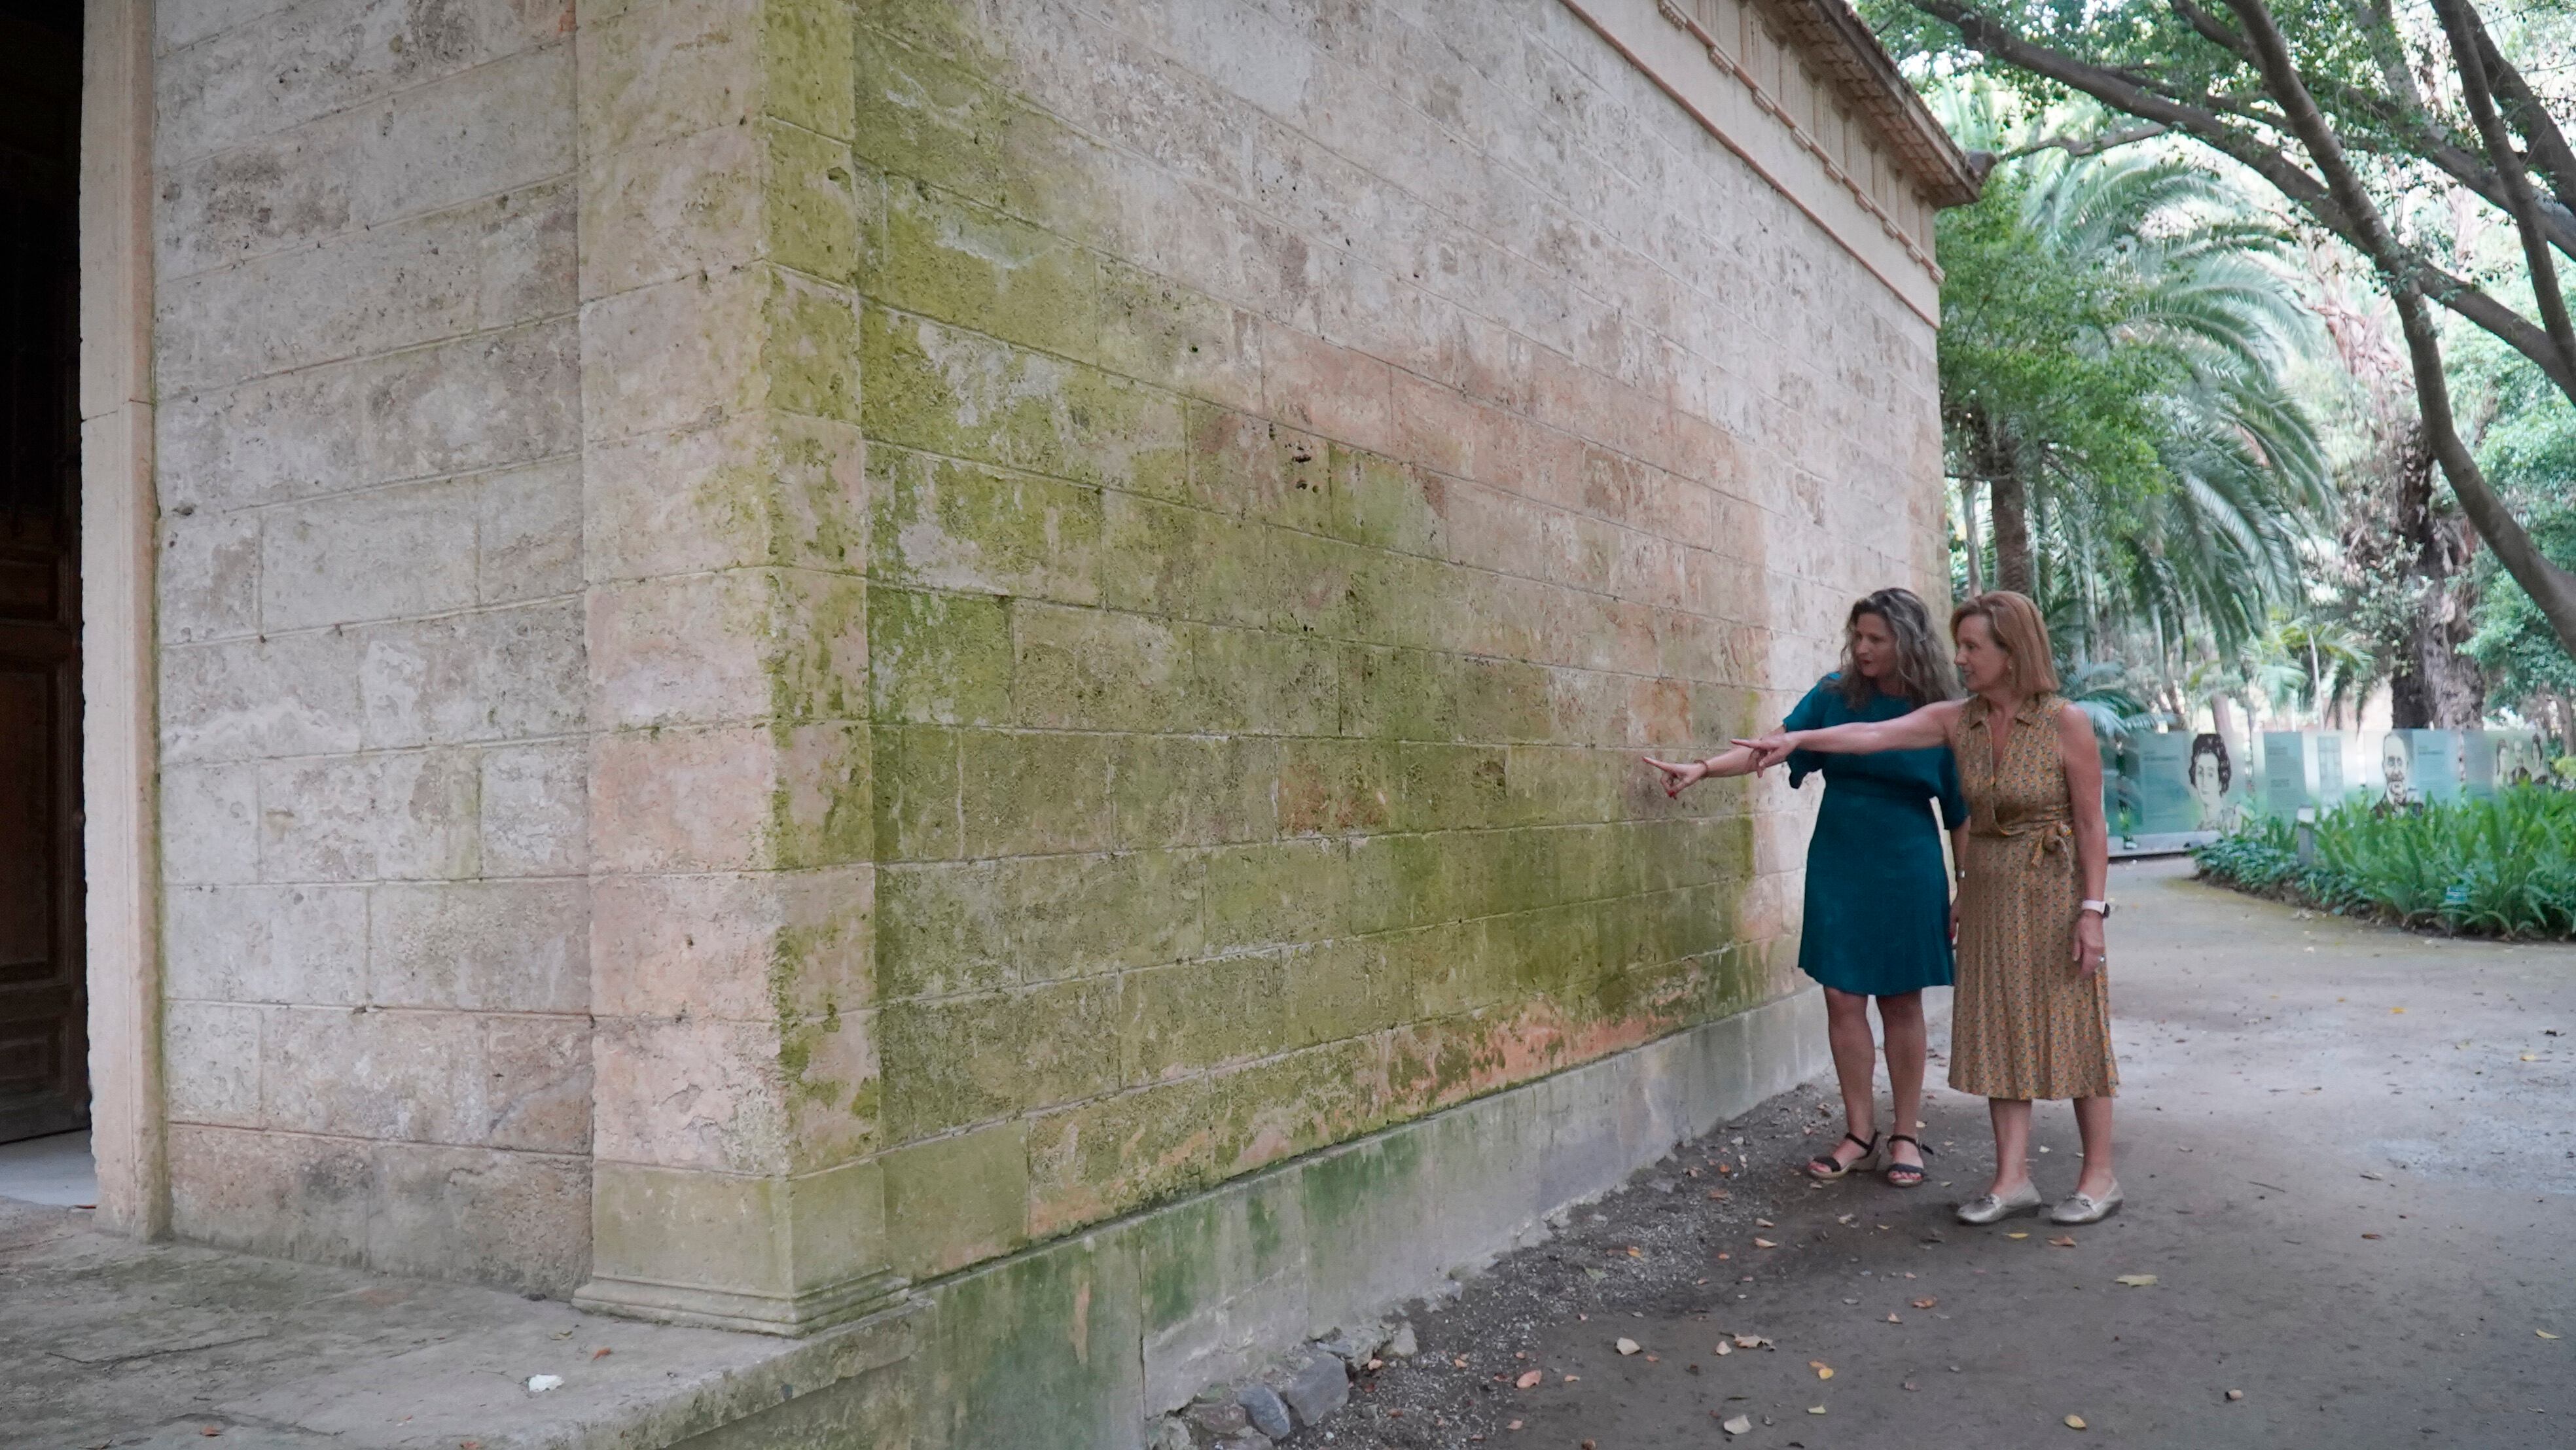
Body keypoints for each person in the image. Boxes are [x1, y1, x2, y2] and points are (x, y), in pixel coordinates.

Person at [1736, 591, 2120, 1226]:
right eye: (1959, 645)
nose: (1960, 657)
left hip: (2053, 891)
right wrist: (1795, 737)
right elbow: (1870, 735)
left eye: (1973, 646)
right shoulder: (1959, 719)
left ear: (2012, 652)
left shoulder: (2065, 721)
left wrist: (2092, 911)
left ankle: (2098, 1177)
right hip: (1992, 892)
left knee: (2072, 1025)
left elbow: (2090, 823)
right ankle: (2012, 1179)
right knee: (2002, 1030)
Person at [1645, 588, 1967, 1188]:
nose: (1862, 648)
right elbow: (1771, 746)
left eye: (1876, 638)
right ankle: (1859, 1133)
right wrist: (1703, 769)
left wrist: (1966, 889)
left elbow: (1961, 813)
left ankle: (1905, 1134)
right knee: (1842, 996)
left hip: (1908, 862)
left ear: (1908, 643)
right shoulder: (1835, 695)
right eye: (1858, 636)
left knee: (1901, 1000)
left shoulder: (1941, 713)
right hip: (1840, 860)